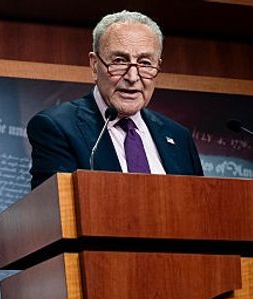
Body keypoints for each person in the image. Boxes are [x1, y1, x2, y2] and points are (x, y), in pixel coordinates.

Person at [27, 10, 203, 188]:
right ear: (95, 65)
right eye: (119, 61)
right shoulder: (58, 128)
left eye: (145, 63)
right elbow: (53, 210)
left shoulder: (179, 137)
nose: (133, 77)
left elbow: (199, 207)